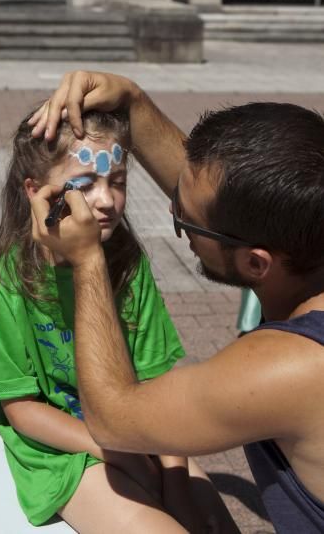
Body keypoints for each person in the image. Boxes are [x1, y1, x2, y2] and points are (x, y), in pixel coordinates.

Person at [28, 71, 324, 534]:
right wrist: (133, 100)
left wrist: (88, 262)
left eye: (186, 224)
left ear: (256, 264)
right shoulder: (305, 233)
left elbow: (113, 419)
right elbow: (229, 207)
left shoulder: (290, 367)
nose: (175, 214)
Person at [0, 109, 237, 533]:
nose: (104, 199)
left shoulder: (128, 266)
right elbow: (22, 409)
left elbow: (156, 383)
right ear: (35, 191)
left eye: (117, 182)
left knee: (211, 524)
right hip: (61, 452)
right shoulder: (6, 280)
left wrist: (173, 479)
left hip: (140, 430)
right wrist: (114, 452)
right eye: (84, 184)